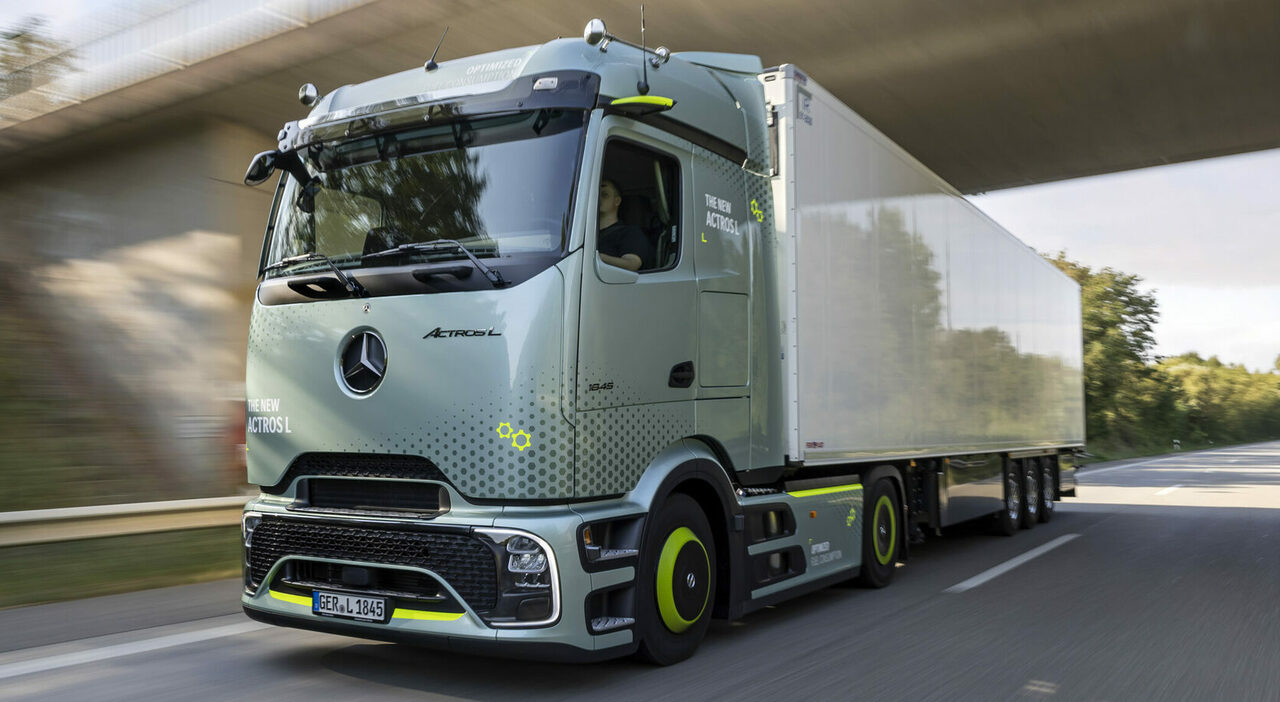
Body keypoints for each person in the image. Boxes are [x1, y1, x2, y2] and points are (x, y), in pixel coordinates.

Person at [596, 179, 651, 271]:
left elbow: (632, 264)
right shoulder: (583, 236)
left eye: (605, 195)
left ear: (617, 201)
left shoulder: (630, 233)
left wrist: (597, 257)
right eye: (596, 194)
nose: (598, 198)